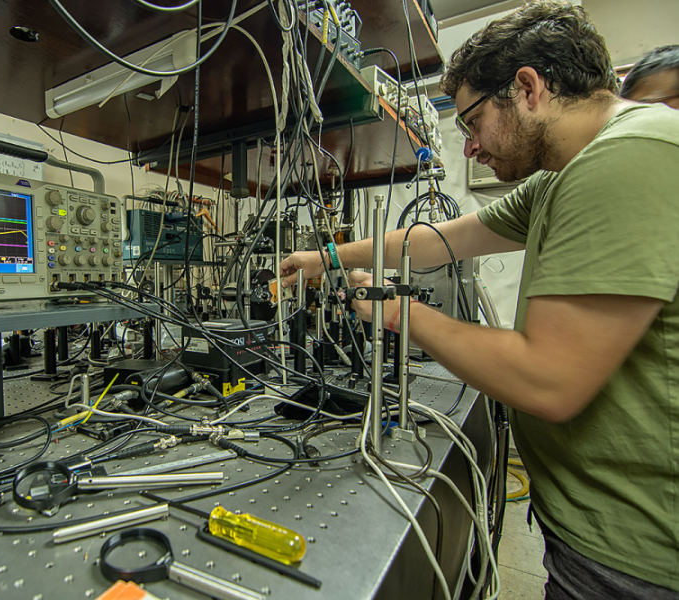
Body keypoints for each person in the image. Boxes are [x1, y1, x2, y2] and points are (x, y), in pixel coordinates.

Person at [279, 2, 679, 598]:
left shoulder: (627, 156)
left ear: (528, 89)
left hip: (634, 554)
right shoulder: (565, 174)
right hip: (598, 524)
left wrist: (398, 312)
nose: (468, 148)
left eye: (472, 123)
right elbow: (437, 240)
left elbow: (547, 380)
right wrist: (325, 258)